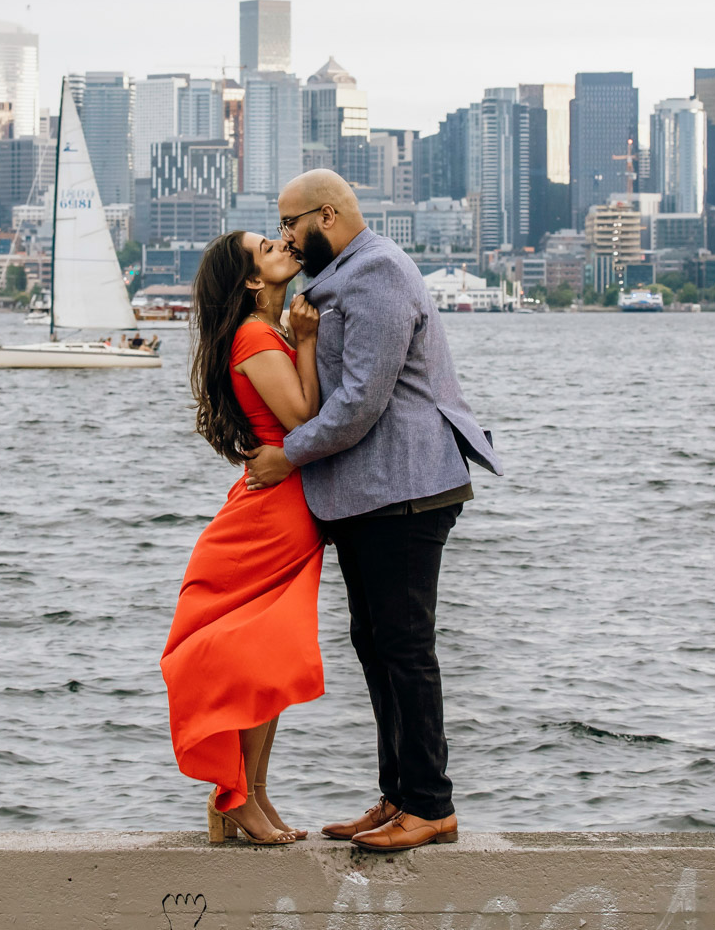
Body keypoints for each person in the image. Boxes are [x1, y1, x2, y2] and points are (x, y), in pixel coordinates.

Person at [242, 169, 502, 852]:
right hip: (370, 493)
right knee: (376, 642)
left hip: (406, 490)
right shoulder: (341, 279)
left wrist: (287, 455)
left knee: (405, 646)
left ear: (325, 216)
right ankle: (398, 793)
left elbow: (359, 401)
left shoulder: (379, 273)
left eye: (289, 224)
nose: (285, 239)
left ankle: (430, 804)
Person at [160, 229, 326, 845]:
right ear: (253, 280)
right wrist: (307, 341)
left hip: (282, 509)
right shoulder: (258, 335)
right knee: (261, 660)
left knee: (271, 662)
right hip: (272, 514)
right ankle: (235, 795)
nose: (283, 244)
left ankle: (248, 795)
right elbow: (304, 422)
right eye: (267, 247)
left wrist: (301, 336)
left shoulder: (268, 331)